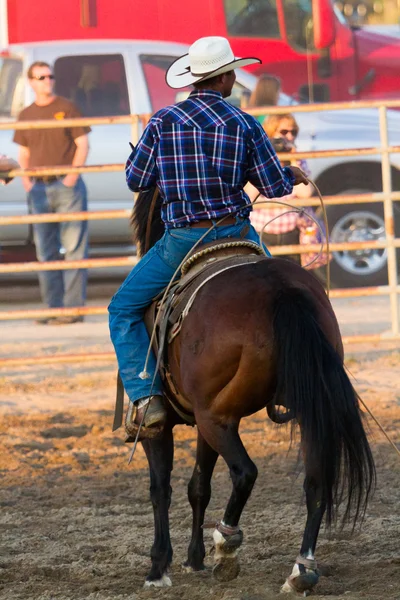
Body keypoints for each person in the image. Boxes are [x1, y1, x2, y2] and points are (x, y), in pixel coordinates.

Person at [108, 36, 308, 439]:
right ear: (226, 77)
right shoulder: (245, 123)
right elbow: (272, 186)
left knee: (123, 309)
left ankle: (147, 400)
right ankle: (287, 381)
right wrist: (293, 176)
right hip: (238, 232)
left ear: (196, 78)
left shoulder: (163, 121)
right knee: (282, 294)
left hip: (182, 239)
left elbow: (136, 180)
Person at [13, 61, 91, 325]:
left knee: (73, 249)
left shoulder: (67, 108)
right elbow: (22, 152)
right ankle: (52, 308)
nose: (48, 80)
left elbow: (82, 144)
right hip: (38, 188)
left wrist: (71, 176)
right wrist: (26, 181)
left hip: (66, 187)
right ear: (31, 82)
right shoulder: (26, 115)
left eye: (50, 76)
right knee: (45, 253)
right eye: (41, 77)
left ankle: (72, 311)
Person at [248, 113, 327, 268]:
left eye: (293, 132)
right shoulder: (257, 157)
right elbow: (249, 196)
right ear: (271, 134)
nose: (289, 137)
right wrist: (268, 159)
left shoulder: (297, 159)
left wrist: (293, 161)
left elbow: (306, 194)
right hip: (263, 231)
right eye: (283, 132)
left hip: (291, 230)